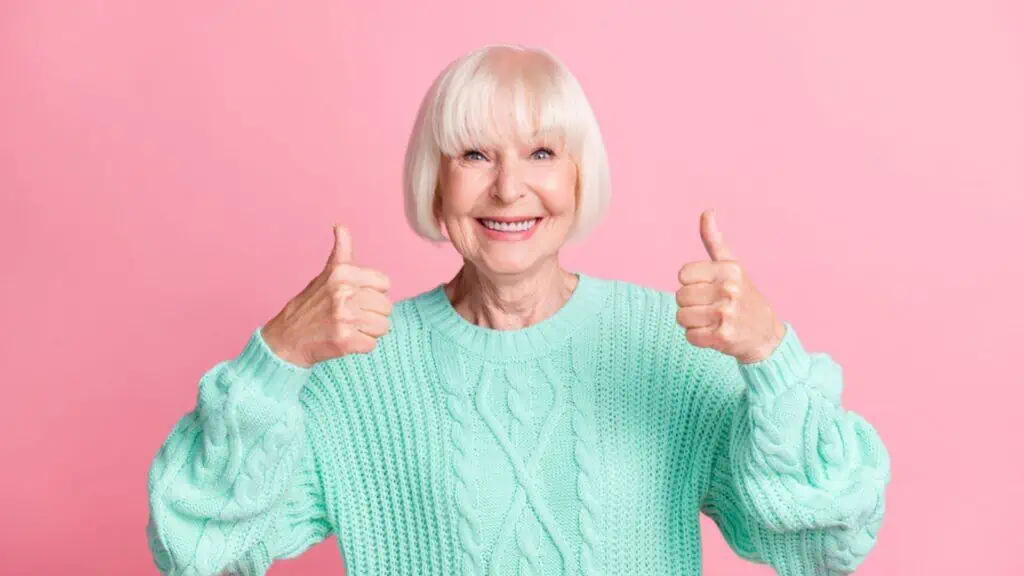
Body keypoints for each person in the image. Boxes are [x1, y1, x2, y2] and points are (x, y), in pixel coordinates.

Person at [146, 43, 890, 576]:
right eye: (474, 155)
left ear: (579, 177)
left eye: (540, 153)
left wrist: (773, 357)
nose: (508, 190)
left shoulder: (669, 347)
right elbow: (198, 554)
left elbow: (823, 545)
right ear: (434, 183)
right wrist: (274, 361)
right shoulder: (354, 374)